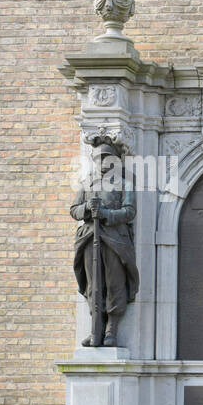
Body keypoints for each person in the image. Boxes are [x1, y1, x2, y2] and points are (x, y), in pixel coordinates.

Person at [71, 137, 138, 347]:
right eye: (99, 159)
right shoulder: (86, 184)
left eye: (107, 159)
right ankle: (95, 329)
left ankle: (111, 329)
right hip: (90, 238)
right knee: (94, 286)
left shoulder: (125, 183)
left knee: (114, 282)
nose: (103, 163)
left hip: (115, 240)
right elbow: (74, 210)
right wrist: (87, 210)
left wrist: (106, 214)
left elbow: (129, 211)